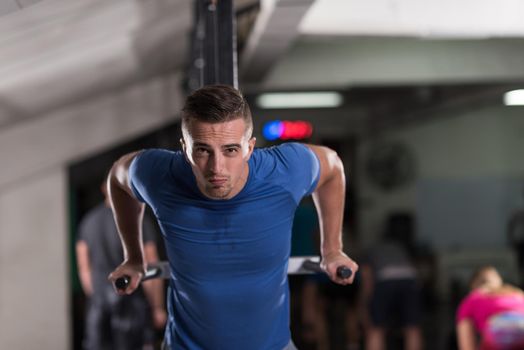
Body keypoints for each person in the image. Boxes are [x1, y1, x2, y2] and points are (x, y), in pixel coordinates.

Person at [106, 84, 359, 350]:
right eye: (202, 150)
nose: (217, 168)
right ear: (184, 148)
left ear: (249, 148)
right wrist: (133, 257)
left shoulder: (284, 171)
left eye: (230, 150)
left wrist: (332, 249)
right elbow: (117, 177)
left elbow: (332, 167)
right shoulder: (160, 174)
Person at [76, 182, 167, 350]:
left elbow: (84, 268)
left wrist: (97, 297)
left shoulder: (88, 222)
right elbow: (150, 267)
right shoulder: (137, 220)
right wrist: (157, 307)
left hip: (99, 308)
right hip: (133, 306)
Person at [360, 214, 423, 350]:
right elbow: (415, 273)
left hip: (385, 280)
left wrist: (365, 303)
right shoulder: (401, 248)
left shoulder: (370, 251)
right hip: (409, 280)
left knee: (376, 328)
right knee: (412, 327)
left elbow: (367, 281)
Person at [456, 266, 524, 350]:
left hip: (499, 334)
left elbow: (466, 343)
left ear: (473, 285)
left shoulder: (472, 299)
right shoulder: (517, 293)